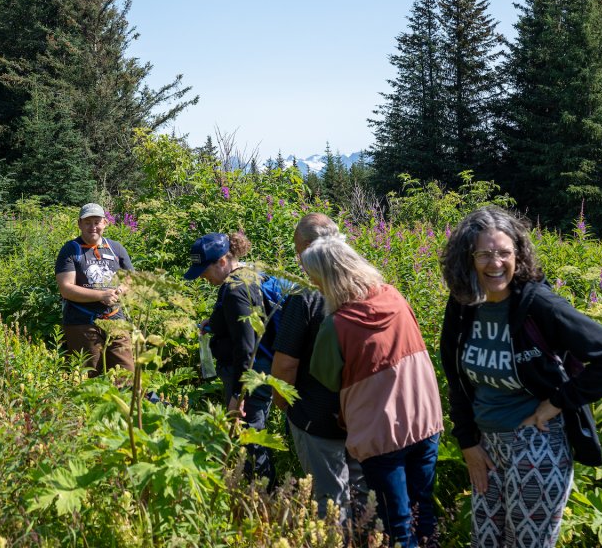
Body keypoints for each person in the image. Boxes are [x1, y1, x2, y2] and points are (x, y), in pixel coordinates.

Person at [439, 206, 602, 548]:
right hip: (486, 445)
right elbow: (456, 378)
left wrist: (556, 403)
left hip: (535, 443)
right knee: (485, 542)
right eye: (483, 254)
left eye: (504, 253)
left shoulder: (540, 305)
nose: (495, 263)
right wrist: (467, 442)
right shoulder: (463, 305)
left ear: (519, 255)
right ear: (467, 259)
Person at [304, 232, 443, 548]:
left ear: (328, 279)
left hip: (381, 434)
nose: (314, 285)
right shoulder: (394, 296)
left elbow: (325, 378)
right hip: (424, 419)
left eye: (315, 279)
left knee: (396, 523)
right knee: (423, 511)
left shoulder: (336, 325)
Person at [271, 213, 367, 520]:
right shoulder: (365, 285)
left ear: (306, 250)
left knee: (330, 505)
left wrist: (286, 407)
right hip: (362, 415)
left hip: (316, 418)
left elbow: (285, 366)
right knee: (364, 500)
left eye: (298, 252)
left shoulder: (303, 297)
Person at [185, 230, 275, 487]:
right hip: (259, 372)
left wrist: (238, 394)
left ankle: (262, 495)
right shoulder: (248, 274)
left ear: (222, 261)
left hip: (248, 378)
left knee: (249, 437)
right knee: (251, 434)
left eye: (205, 269)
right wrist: (214, 322)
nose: (202, 276)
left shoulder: (235, 289)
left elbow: (246, 346)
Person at [56, 203, 134, 378]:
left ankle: (127, 404)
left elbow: (131, 279)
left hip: (115, 319)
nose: (93, 227)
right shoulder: (70, 249)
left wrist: (120, 290)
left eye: (97, 222)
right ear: (79, 224)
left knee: (126, 374)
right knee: (89, 376)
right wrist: (101, 295)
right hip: (82, 322)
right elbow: (66, 289)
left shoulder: (116, 248)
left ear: (105, 223)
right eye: (87, 222)